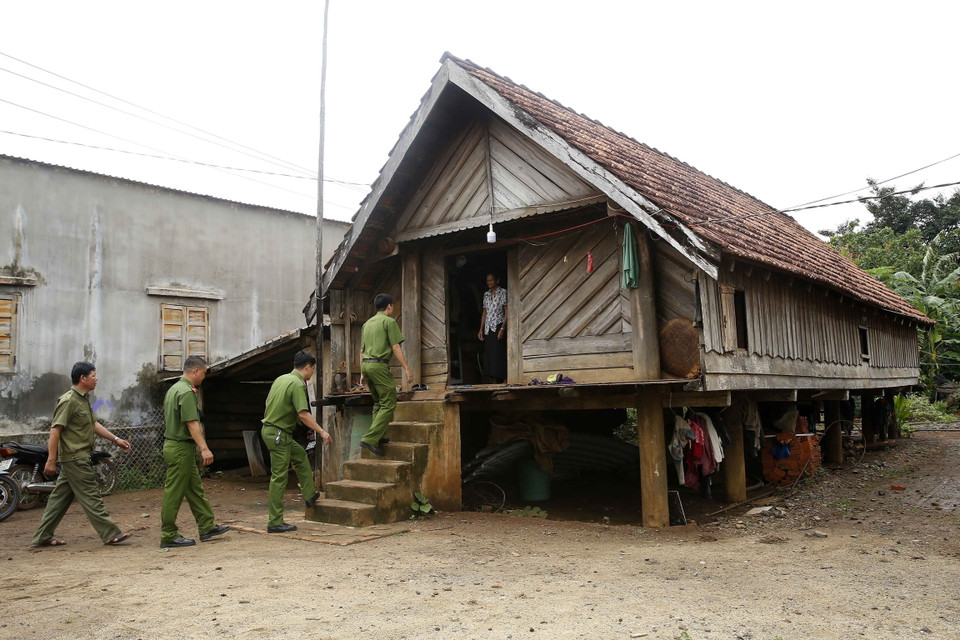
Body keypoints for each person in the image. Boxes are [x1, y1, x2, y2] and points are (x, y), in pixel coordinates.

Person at [31, 362, 132, 547]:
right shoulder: (68, 400)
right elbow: (55, 431)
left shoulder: (83, 399)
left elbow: (94, 425)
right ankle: (110, 533)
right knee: (91, 496)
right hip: (75, 458)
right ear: (82, 378)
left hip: (77, 458)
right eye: (94, 375)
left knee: (58, 500)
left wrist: (115, 439)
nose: (97, 379)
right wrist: (51, 460)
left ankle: (42, 536)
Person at [159, 355, 230, 548]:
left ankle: (206, 525)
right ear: (195, 371)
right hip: (180, 446)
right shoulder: (187, 392)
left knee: (194, 489)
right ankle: (168, 534)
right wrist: (204, 448)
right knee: (174, 492)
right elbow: (192, 423)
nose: (204, 377)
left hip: (178, 446)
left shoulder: (174, 389)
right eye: (204, 373)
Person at [261, 350, 332, 533]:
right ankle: (275, 522)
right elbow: (303, 414)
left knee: (300, 455)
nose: (312, 373)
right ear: (307, 367)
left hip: (272, 431)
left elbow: (269, 403)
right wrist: (322, 432)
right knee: (279, 477)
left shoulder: (281, 379)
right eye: (313, 369)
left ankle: (309, 495)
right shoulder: (297, 384)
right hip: (279, 435)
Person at [359, 293, 413, 456]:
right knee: (389, 402)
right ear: (389, 306)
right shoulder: (389, 322)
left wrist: (362, 372)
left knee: (378, 403)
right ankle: (370, 439)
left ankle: (379, 437)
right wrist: (407, 368)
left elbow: (361, 351)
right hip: (379, 366)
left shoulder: (367, 324)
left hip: (367, 365)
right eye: (392, 305)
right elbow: (395, 347)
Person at [477, 273, 508, 383]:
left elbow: (507, 311)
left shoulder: (503, 292)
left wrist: (502, 328)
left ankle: (505, 378)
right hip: (488, 327)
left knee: (499, 352)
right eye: (487, 281)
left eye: (491, 280)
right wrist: (481, 329)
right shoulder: (486, 294)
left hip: (499, 324)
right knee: (490, 353)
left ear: (497, 280)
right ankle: (494, 379)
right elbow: (484, 312)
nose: (489, 282)